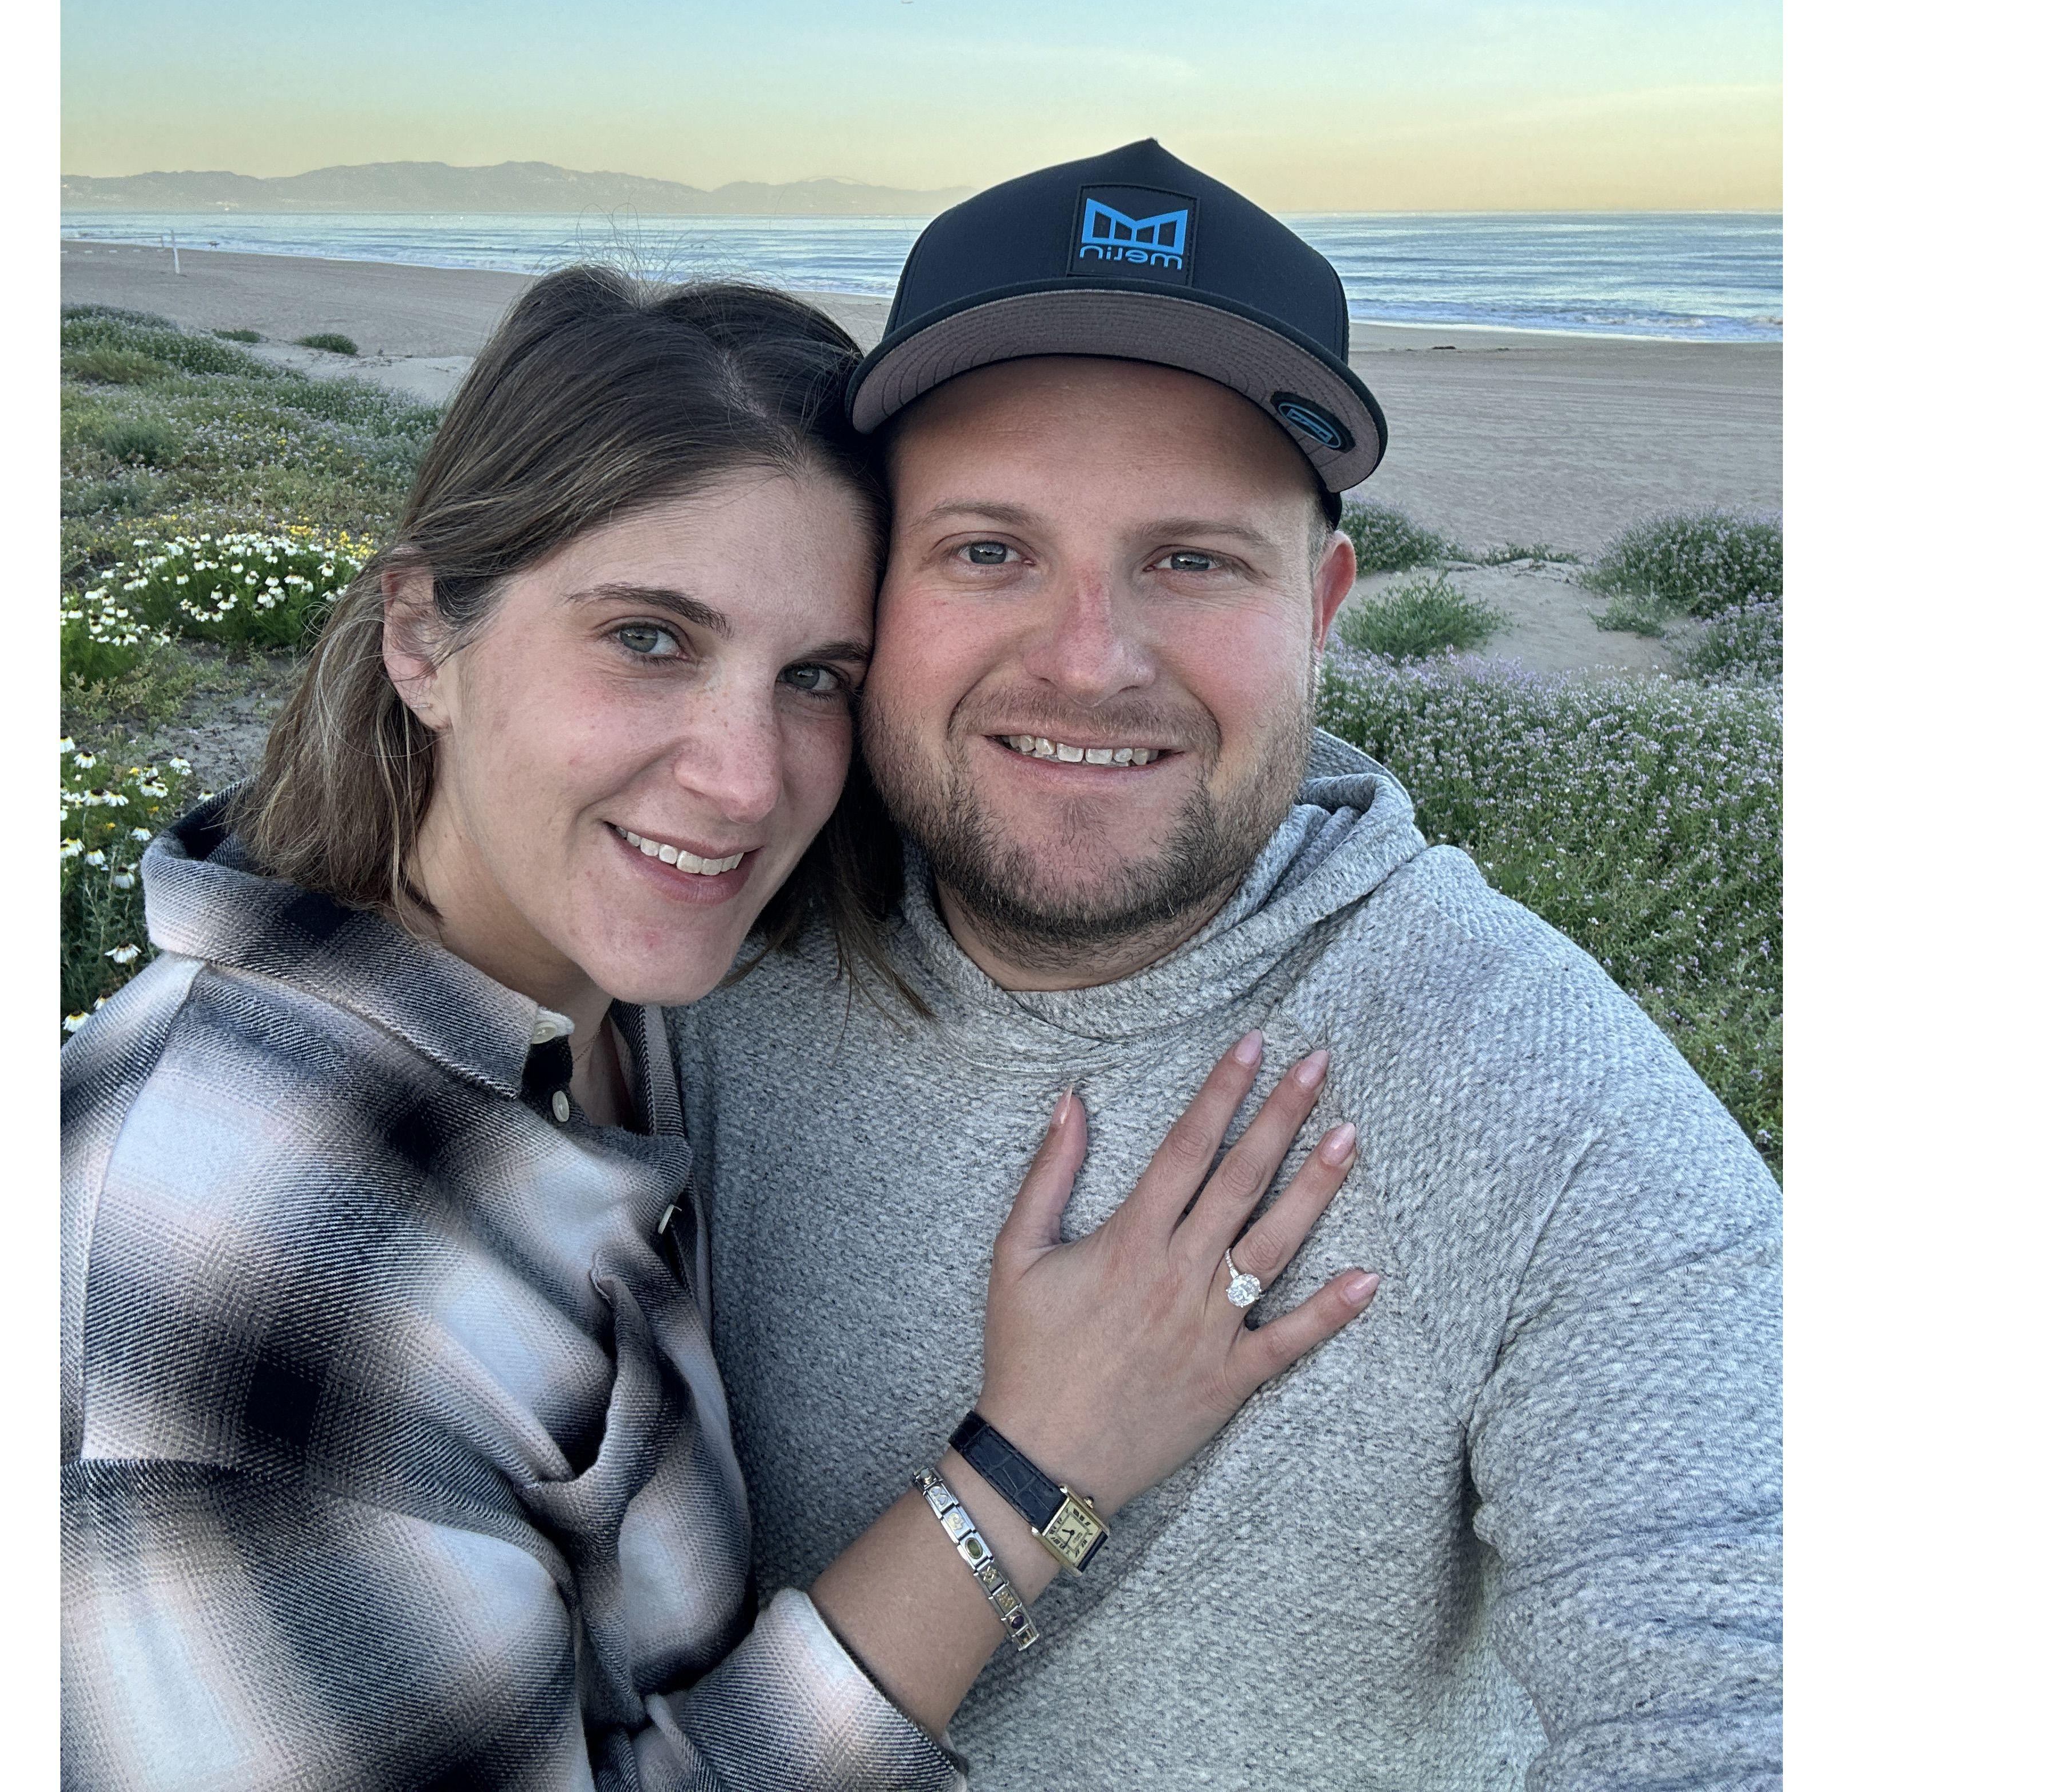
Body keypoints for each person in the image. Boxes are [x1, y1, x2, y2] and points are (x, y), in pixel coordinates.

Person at [59, 266, 1381, 1791]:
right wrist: (1032, 1472)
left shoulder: (603, 1008)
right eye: (648, 640)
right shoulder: (238, 1252)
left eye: (816, 676)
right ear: (422, 638)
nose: (748, 781)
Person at [669, 140, 1785, 1789]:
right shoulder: (716, 936)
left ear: (1324, 605)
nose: (1087, 658)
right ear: (872, 592)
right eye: (990, 549)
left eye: (1193, 559)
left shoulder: (1548, 1102)